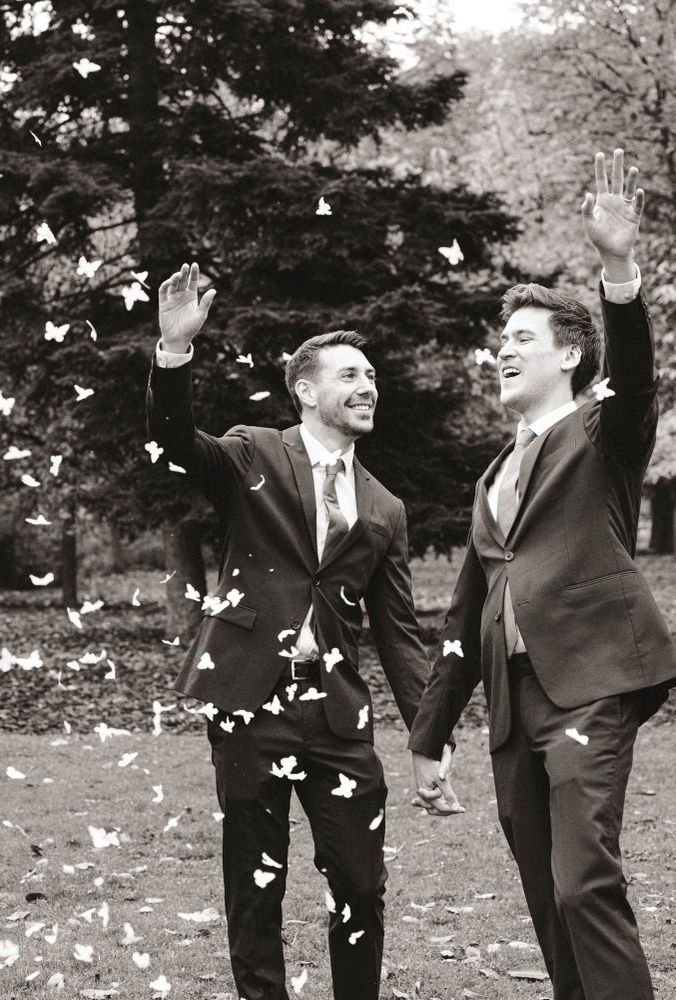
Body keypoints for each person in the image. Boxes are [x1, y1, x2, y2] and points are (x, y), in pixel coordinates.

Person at [408, 148, 676, 1000]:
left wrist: (618, 271)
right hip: (512, 703)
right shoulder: (491, 479)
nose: (502, 351)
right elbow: (463, 616)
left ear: (570, 357)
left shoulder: (602, 433)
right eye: (501, 341)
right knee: (545, 895)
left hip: (592, 681)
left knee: (581, 881)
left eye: (521, 339)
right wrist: (428, 736)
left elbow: (636, 379)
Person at [146, 263, 442, 1000]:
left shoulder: (385, 507)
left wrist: (428, 735)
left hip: (338, 716)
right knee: (257, 883)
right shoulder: (252, 452)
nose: (368, 386)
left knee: (361, 885)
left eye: (371, 375)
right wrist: (174, 351)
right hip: (251, 702)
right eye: (350, 375)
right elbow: (175, 443)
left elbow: (398, 632)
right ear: (306, 391)